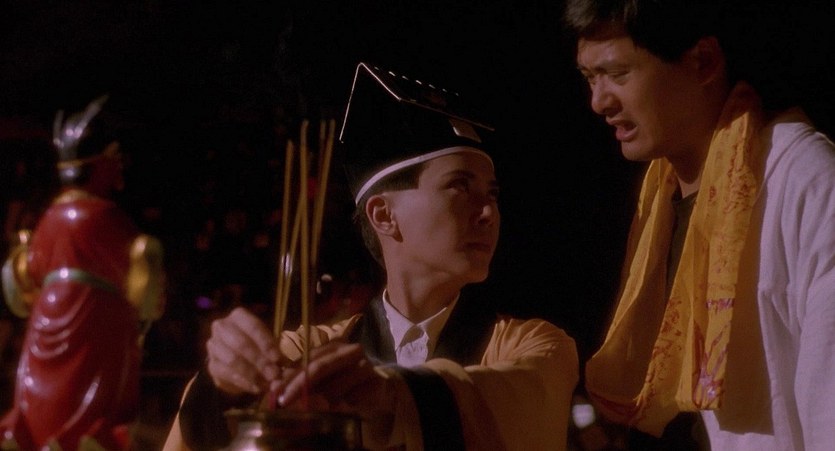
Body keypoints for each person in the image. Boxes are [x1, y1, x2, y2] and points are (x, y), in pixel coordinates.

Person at [163, 62, 579, 451]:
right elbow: (208, 432)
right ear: (383, 215)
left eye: (493, 194)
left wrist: (393, 395)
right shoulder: (310, 350)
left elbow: (524, 402)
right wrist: (226, 381)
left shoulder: (535, 345)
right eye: (460, 186)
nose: (488, 213)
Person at [563, 1, 835, 450]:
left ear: (704, 62)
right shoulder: (656, 198)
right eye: (590, 78)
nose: (599, 102)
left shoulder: (805, 182)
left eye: (618, 74)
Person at [0, 95, 166, 450]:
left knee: (44, 395)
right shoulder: (108, 218)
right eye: (115, 159)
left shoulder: (49, 218)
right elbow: (140, 276)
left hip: (49, 316)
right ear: (103, 164)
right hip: (97, 317)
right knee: (94, 400)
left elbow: (27, 273)